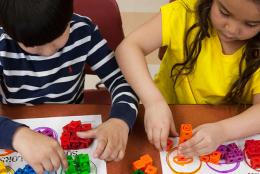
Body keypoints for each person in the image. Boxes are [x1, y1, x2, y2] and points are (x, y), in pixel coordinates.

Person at [0, 0, 138, 173]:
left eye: (57, 39)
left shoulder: (84, 31)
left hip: (71, 115)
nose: (49, 52)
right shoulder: (2, 44)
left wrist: (120, 120)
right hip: (14, 122)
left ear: (68, 19)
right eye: (33, 46)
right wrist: (16, 135)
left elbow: (122, 80)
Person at [115, 0, 260, 157]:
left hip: (233, 126)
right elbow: (128, 47)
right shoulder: (185, 13)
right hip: (168, 113)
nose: (231, 29)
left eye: (251, 24)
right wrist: (153, 102)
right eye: (224, 13)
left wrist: (223, 131)